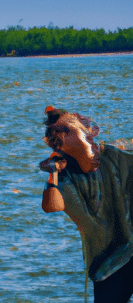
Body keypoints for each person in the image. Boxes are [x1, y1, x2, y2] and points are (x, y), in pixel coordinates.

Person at [40, 106, 133, 302]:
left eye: (92, 140)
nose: (93, 146)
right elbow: (52, 205)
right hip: (108, 265)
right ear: (62, 148)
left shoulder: (114, 154)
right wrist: (52, 174)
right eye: (87, 141)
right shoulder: (65, 178)